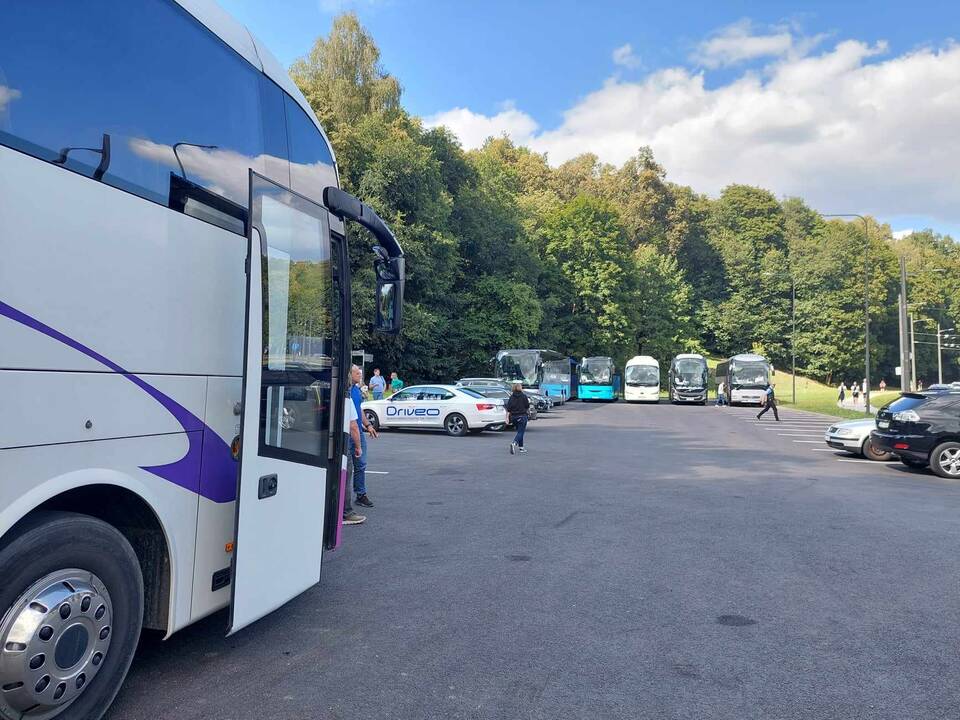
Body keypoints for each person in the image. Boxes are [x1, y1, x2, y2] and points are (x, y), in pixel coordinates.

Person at [350, 364, 378, 508]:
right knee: (347, 467)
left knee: (360, 465)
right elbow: (351, 418)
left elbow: (358, 410)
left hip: (358, 431)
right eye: (357, 373)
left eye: (360, 373)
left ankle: (360, 495)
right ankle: (342, 500)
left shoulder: (355, 390)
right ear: (349, 374)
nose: (360, 375)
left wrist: (368, 425)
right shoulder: (346, 391)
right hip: (348, 432)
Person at [342, 396, 365, 526]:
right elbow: (353, 426)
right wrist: (358, 447)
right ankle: (346, 513)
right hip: (342, 443)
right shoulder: (347, 399)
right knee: (345, 479)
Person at [505, 382, 530, 454]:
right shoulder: (524, 396)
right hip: (522, 416)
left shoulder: (511, 397)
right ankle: (514, 443)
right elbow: (527, 406)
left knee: (519, 431)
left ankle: (521, 447)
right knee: (521, 432)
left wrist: (507, 418)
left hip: (514, 417)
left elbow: (508, 409)